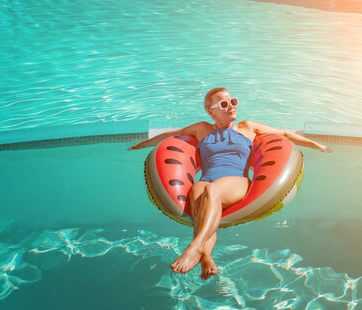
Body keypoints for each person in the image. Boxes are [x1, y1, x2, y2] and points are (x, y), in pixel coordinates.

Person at [128, 88, 332, 280]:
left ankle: (195, 247)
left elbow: (284, 134)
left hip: (237, 182)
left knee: (210, 190)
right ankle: (207, 257)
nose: (232, 106)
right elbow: (168, 136)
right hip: (207, 180)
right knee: (199, 197)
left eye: (233, 101)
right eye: (224, 104)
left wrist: (315, 144)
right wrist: (139, 145)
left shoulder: (247, 127)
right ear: (211, 111)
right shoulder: (201, 129)